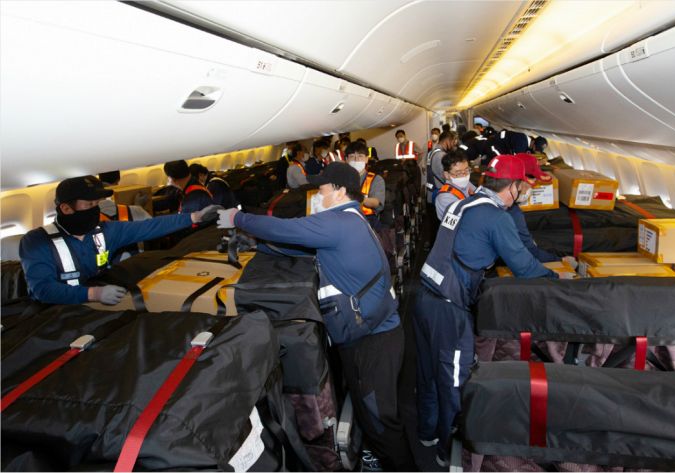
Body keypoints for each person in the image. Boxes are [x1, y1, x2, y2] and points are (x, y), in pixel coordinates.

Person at [216, 162, 415, 472]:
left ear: (339, 190)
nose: (318, 195)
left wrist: (237, 218)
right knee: (368, 410)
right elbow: (303, 248)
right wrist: (257, 245)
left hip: (374, 342)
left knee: (381, 417)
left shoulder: (338, 222)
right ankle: (380, 454)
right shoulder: (352, 220)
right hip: (367, 333)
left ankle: (402, 466)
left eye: (322, 189)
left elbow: (286, 229)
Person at [414, 155, 568, 467]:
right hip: (448, 307)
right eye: (521, 188)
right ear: (513, 187)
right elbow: (524, 267)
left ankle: (427, 433)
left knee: (428, 373)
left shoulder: (465, 203)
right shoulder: (497, 217)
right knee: (454, 381)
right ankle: (446, 453)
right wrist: (560, 280)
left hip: (424, 295)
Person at [19, 175, 220, 305]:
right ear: (66, 208)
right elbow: (43, 290)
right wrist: (94, 294)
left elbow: (149, 227)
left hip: (91, 309)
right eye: (89, 205)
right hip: (54, 312)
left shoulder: (104, 231)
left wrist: (195, 217)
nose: (95, 210)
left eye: (97, 204)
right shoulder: (37, 241)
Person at [345, 141, 386, 229]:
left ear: (367, 159)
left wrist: (360, 198)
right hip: (344, 219)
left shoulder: (376, 179)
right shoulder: (341, 178)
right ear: (346, 159)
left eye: (360, 156)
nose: (356, 160)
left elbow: (376, 202)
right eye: (352, 156)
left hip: (367, 221)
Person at [434, 150, 475, 220]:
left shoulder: (466, 182)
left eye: (467, 170)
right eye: (458, 173)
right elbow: (463, 220)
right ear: (447, 175)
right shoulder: (445, 198)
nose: (464, 175)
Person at [426, 130, 456, 204]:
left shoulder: (432, 152)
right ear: (447, 141)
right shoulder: (441, 155)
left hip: (432, 192)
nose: (453, 146)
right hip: (440, 194)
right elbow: (444, 176)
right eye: (452, 142)